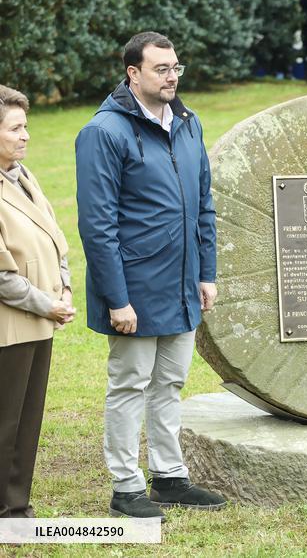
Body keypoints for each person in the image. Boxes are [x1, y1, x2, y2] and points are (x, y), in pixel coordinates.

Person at [75, 32, 226, 519]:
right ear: (132, 74)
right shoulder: (104, 132)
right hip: (135, 290)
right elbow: (97, 227)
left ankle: (169, 477)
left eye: (176, 67)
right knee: (130, 385)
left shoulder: (187, 121)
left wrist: (207, 272)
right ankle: (125, 486)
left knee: (169, 384)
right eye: (161, 69)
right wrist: (117, 300)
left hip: (181, 286)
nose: (172, 76)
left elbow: (203, 203)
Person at [0, 85, 76, 518]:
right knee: (5, 421)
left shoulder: (24, 177)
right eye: (15, 129)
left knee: (26, 423)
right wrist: (46, 304)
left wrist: (63, 290)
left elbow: (56, 241)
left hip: (40, 320)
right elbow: (2, 275)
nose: (25, 135)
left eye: (26, 126)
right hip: (11, 325)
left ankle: (14, 506)